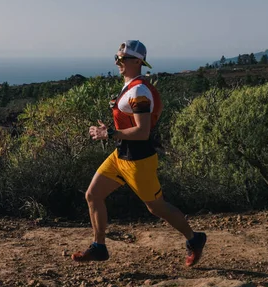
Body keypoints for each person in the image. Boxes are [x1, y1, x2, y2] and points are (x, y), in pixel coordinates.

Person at [72, 40, 207, 266]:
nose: (117, 62)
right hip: (120, 155)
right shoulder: (130, 86)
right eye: (116, 57)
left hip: (139, 160)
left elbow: (142, 132)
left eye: (122, 58)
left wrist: (110, 133)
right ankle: (99, 247)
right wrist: (111, 132)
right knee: (93, 195)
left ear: (137, 61)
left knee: (156, 207)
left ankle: (195, 239)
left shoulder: (140, 91)